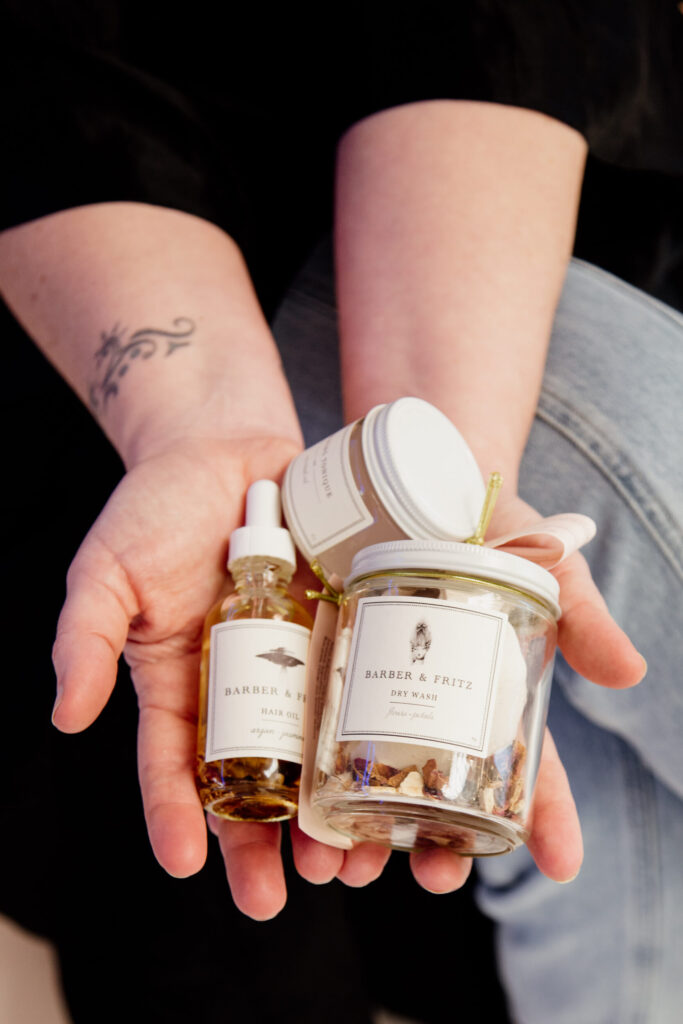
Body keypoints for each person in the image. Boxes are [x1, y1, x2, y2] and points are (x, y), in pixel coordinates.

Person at [2, 3, 681, 1021]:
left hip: (466, 231)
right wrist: (192, 427)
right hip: (112, 288)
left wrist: (442, 458)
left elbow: (494, 34)